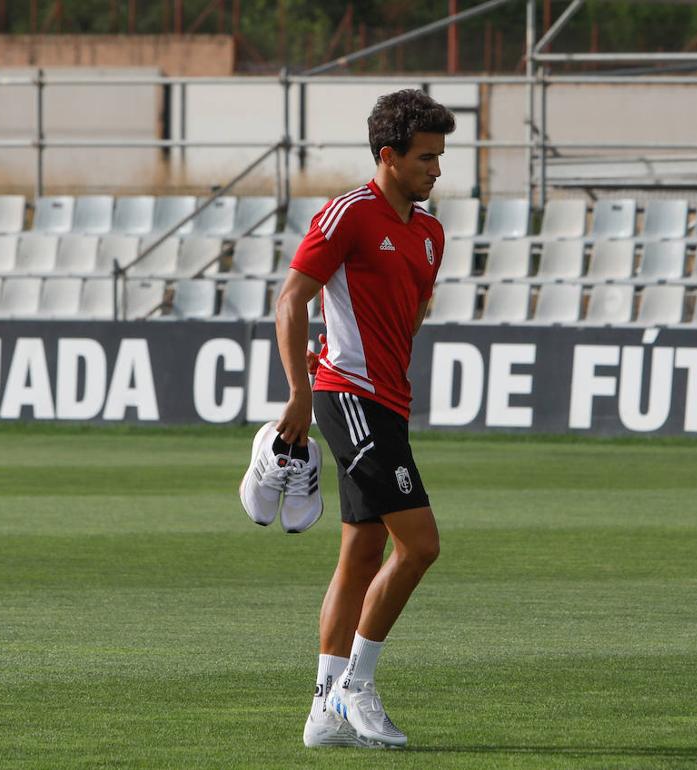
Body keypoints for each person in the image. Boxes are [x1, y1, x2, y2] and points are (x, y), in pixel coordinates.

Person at [274, 89, 454, 749]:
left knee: (362, 552)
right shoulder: (349, 212)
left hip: (387, 403)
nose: (437, 168)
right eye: (426, 156)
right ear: (388, 156)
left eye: (440, 155)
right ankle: (357, 686)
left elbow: (409, 316)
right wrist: (299, 393)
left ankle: (323, 711)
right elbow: (292, 299)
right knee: (422, 545)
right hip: (346, 394)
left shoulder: (431, 234)